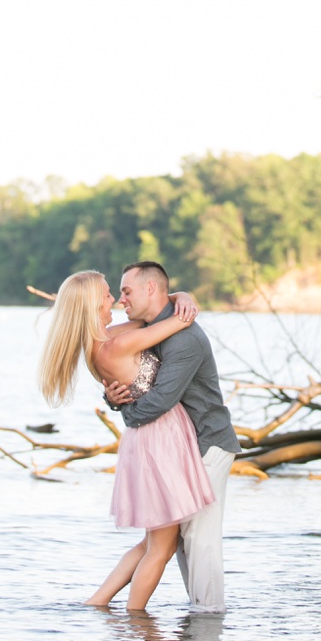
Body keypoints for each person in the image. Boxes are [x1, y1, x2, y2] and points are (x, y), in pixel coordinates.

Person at [38, 269, 214, 612]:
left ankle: (98, 601)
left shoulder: (102, 341)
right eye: (107, 295)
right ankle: (137, 618)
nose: (115, 301)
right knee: (162, 547)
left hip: (144, 439)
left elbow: (162, 311)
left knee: (151, 541)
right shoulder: (118, 343)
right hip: (160, 437)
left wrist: (182, 295)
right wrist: (186, 301)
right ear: (92, 305)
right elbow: (176, 322)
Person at [104, 261, 240, 615]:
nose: (121, 300)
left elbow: (161, 399)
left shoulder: (185, 338)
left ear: (150, 289)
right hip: (180, 448)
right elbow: (131, 376)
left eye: (127, 291)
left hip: (208, 442)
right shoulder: (156, 327)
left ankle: (209, 617)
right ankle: (198, 613)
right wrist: (111, 398)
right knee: (178, 539)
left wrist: (127, 415)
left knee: (199, 536)